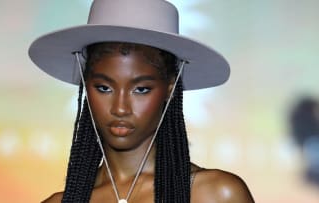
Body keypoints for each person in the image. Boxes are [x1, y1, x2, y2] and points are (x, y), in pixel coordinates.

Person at [29, 0, 254, 202]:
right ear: (86, 86)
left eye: (141, 89)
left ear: (170, 89)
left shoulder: (215, 195)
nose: (120, 108)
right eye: (104, 88)